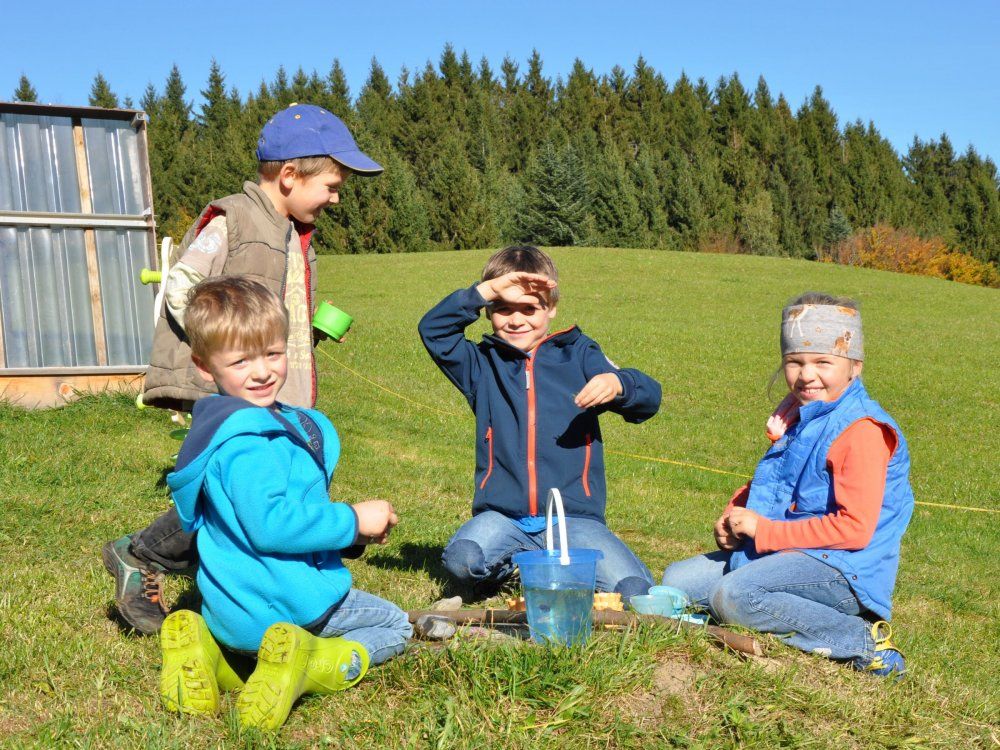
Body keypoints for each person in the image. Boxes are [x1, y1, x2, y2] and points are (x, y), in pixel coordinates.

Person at [102, 103, 384, 634]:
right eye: (330, 184)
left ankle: (275, 575)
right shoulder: (235, 218)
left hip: (267, 386)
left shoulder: (290, 230)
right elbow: (184, 283)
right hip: (230, 387)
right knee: (230, 485)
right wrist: (222, 350)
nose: (335, 197)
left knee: (273, 480)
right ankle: (144, 555)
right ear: (289, 176)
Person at [159, 276, 411, 730]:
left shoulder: (214, 429)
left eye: (272, 353)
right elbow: (272, 524)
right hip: (289, 604)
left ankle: (214, 657)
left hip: (231, 613)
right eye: (241, 361)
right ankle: (311, 662)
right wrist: (352, 520)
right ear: (202, 365)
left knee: (245, 652)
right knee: (396, 626)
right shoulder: (250, 443)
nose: (262, 372)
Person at [661, 292, 913, 677]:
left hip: (845, 569)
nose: (806, 374)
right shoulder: (803, 414)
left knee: (734, 595)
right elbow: (777, 484)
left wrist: (764, 531)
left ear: (854, 366)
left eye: (822, 362)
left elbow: (855, 529)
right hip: (788, 549)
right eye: (794, 362)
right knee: (675, 582)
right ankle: (776, 607)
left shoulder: (861, 431)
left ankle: (860, 639)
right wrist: (733, 516)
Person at [418, 245, 661, 603]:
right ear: (488, 312)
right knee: (462, 561)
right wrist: (484, 291)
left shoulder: (578, 354)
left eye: (529, 309)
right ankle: (510, 567)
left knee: (632, 592)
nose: (516, 320)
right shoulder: (480, 364)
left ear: (551, 309)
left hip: (574, 519)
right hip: (504, 517)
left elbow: (649, 399)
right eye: (502, 308)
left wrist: (619, 384)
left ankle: (563, 562)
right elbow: (434, 330)